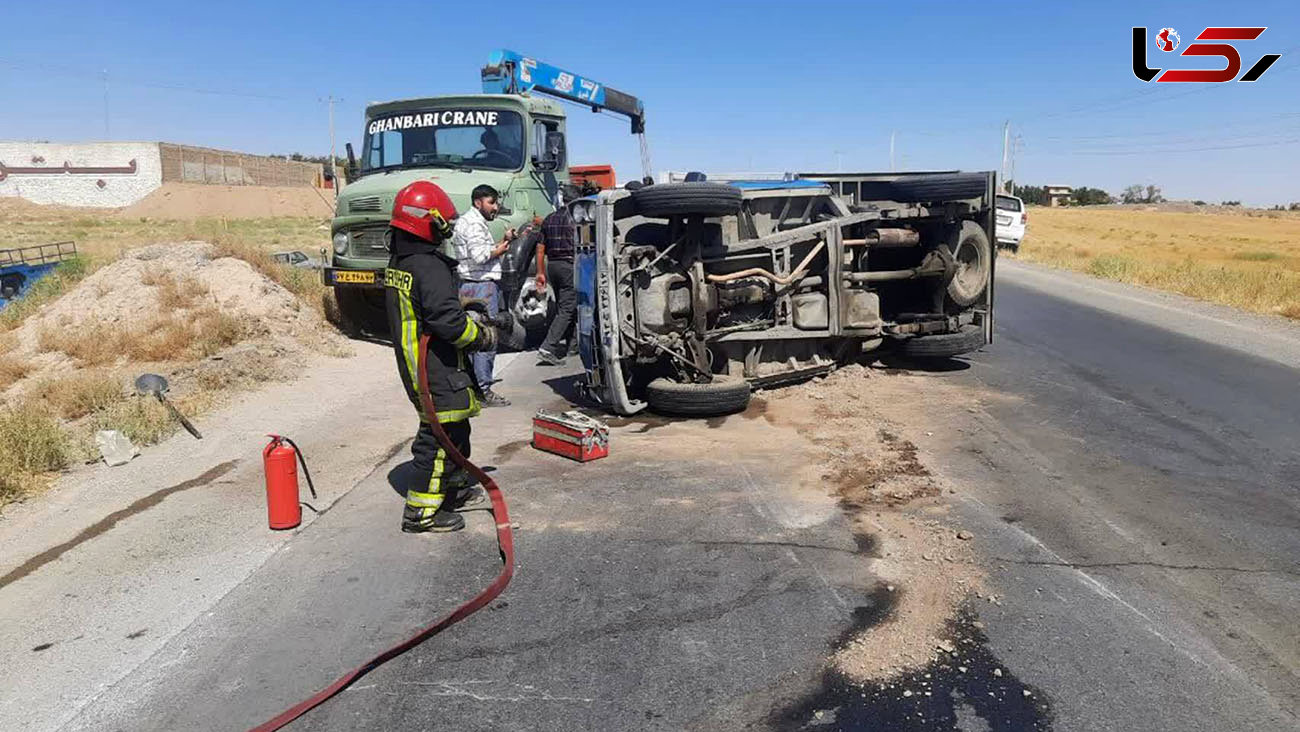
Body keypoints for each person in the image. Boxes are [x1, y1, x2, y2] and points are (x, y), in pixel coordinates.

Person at [385, 180, 496, 534]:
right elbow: (448, 323)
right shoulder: (428, 267)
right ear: (426, 221)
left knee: (457, 427)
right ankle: (421, 513)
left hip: (419, 362)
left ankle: (455, 489)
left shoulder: (403, 262)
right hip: (432, 366)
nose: (445, 228)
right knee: (437, 437)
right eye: (441, 222)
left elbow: (429, 308)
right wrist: (483, 336)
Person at [452, 184, 515, 407]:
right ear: (478, 202)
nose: (495, 207)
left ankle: (474, 387)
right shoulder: (475, 224)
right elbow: (480, 256)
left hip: (468, 285)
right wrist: (502, 249)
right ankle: (484, 390)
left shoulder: (465, 222)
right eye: (491, 202)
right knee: (487, 339)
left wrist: (504, 241)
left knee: (472, 338)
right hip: (481, 287)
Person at [535, 198, 579, 365]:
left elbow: (540, 249)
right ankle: (548, 347)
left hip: (553, 266)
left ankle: (572, 345)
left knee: (566, 306)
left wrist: (540, 272)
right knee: (568, 308)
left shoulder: (549, 218)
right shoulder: (577, 218)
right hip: (570, 265)